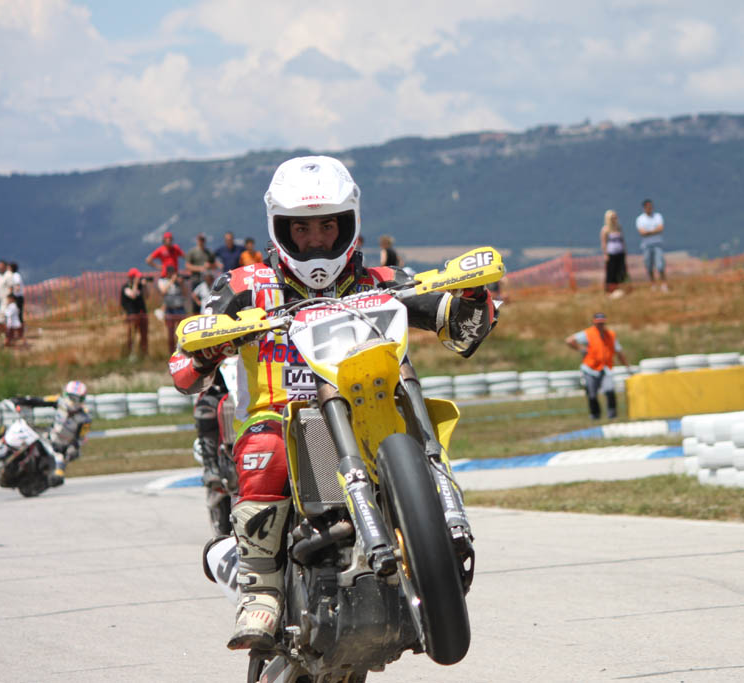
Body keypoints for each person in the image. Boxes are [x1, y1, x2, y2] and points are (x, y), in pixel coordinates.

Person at [168, 155, 497, 651]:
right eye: (302, 228)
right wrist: (206, 348)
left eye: (328, 226)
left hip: (373, 413)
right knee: (267, 447)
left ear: (349, 224)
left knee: (422, 417)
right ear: (280, 228)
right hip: (284, 419)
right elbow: (183, 371)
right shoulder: (243, 286)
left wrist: (473, 298)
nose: (316, 240)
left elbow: (461, 329)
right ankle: (260, 590)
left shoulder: (383, 279)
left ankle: (435, 540)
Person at [565, 312, 631, 420]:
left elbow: (619, 352)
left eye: (602, 323)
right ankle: (595, 416)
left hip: (606, 368)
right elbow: (569, 340)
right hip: (590, 368)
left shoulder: (611, 335)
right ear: (594, 323)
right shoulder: (588, 333)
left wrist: (626, 365)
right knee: (592, 394)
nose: (600, 325)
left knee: (609, 390)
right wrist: (581, 349)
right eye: (598, 323)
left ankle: (612, 415)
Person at [636, 199, 667, 291]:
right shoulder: (640, 219)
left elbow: (660, 228)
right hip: (646, 245)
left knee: (660, 265)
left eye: (651, 206)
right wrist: (654, 231)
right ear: (644, 207)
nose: (650, 208)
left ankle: (664, 284)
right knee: (648, 266)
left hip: (658, 244)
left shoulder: (658, 216)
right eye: (648, 207)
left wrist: (648, 232)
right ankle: (653, 284)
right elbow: (642, 232)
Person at [120, 268, 149, 358]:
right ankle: (130, 354)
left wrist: (144, 286)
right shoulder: (126, 287)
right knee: (131, 335)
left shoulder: (141, 287)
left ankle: (144, 354)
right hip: (132, 314)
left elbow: (147, 296)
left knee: (144, 335)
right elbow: (133, 295)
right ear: (132, 278)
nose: (139, 279)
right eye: (137, 277)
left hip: (142, 314)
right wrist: (135, 284)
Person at [160, 266, 189, 352]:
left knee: (182, 332)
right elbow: (163, 292)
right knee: (170, 332)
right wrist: (172, 281)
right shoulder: (163, 281)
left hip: (180, 308)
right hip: (169, 309)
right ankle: (171, 351)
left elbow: (186, 294)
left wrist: (181, 283)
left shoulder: (179, 282)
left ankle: (183, 350)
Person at [600, 209, 627, 294]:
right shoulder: (605, 229)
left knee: (620, 271)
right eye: (613, 217)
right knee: (611, 271)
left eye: (615, 217)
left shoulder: (618, 227)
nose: (615, 219)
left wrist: (624, 250)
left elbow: (622, 240)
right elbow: (604, 243)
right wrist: (605, 254)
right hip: (611, 253)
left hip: (620, 253)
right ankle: (610, 289)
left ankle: (619, 287)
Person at [9, 262, 25, 335]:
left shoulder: (16, 275)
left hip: (18, 297)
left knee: (18, 315)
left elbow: (17, 286)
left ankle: (20, 333)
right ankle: (18, 332)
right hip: (17, 297)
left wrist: (12, 294)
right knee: (17, 315)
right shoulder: (15, 275)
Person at [0, 259, 13, 324]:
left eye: (1, 266)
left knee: (4, 317)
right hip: (1, 300)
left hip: (7, 300)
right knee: (0, 317)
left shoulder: (8, 275)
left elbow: (11, 288)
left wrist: (9, 300)